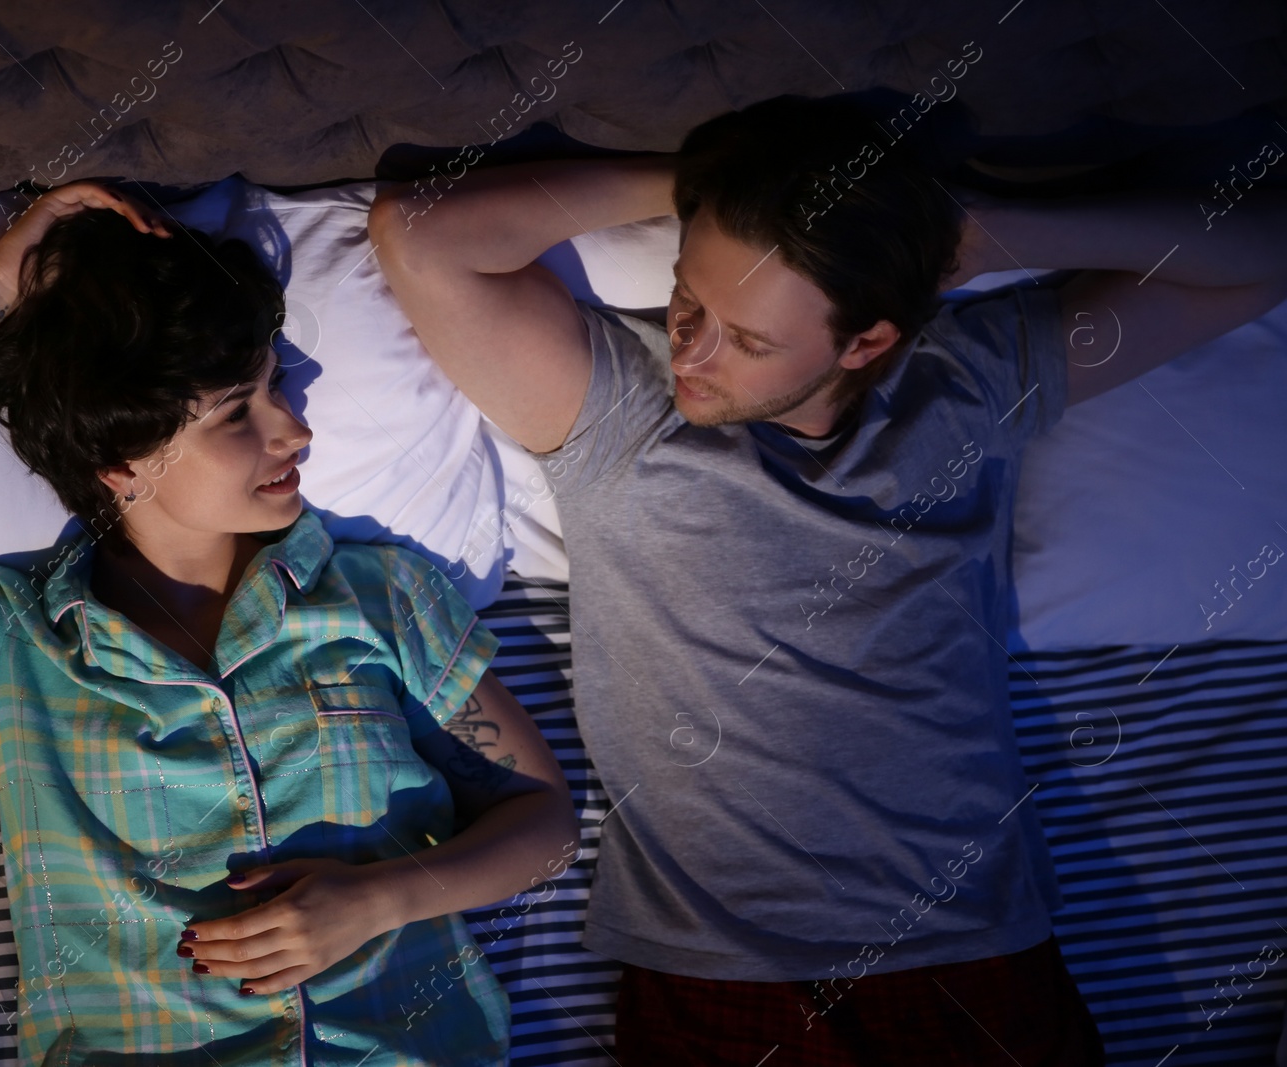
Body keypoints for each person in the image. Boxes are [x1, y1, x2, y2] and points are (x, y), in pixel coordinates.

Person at [370, 93, 1287, 1063]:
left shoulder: (963, 383)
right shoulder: (623, 414)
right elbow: (421, 234)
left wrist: (968, 233)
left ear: (867, 341)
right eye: (690, 299)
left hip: (968, 958)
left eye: (750, 338)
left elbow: (1262, 252)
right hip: (719, 970)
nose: (691, 348)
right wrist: (716, 187)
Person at [0, 180, 580, 1065]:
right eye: (235, 412)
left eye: (275, 384)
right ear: (118, 463)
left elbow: (545, 825)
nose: (294, 427)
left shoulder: (379, 595)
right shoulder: (16, 652)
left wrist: (380, 899)